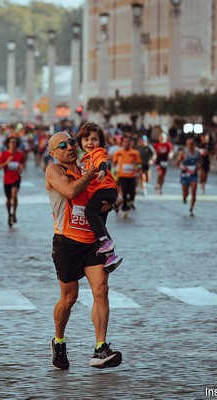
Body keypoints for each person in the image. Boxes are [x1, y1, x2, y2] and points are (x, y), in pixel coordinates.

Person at [45, 131, 123, 371]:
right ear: (54, 153)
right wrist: (91, 173)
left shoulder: (89, 163)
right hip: (67, 243)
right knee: (69, 298)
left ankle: (101, 348)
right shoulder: (54, 170)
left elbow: (117, 196)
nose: (69, 147)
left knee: (101, 290)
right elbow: (70, 192)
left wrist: (111, 202)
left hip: (92, 242)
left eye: (70, 142)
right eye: (62, 145)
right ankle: (59, 341)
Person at [76, 122, 123, 270]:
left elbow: (102, 163)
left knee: (89, 212)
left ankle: (106, 242)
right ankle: (110, 256)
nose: (90, 142)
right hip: (102, 192)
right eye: (86, 139)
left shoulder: (97, 153)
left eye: (94, 139)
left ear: (100, 142)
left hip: (105, 190)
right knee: (99, 226)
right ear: (81, 142)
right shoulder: (84, 158)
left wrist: (102, 171)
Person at [0, 136, 25, 227]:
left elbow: (21, 166)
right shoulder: (4, 154)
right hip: (7, 179)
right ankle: (9, 214)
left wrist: (20, 169)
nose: (13, 144)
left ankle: (14, 212)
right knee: (8, 199)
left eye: (15, 142)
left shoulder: (20, 154)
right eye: (11, 142)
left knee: (14, 194)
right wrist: (7, 162)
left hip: (16, 178)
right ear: (8, 144)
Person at [112, 135, 142, 217]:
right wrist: (114, 171)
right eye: (125, 142)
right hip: (122, 175)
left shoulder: (135, 153)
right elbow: (114, 163)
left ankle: (130, 202)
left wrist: (138, 170)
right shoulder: (118, 153)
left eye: (128, 142)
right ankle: (124, 209)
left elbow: (139, 163)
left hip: (132, 176)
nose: (126, 144)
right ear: (122, 143)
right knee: (124, 192)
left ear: (130, 143)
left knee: (132, 193)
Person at [175, 135, 200, 216]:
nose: (191, 146)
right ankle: (184, 197)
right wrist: (183, 167)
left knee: (194, 191)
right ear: (186, 144)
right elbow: (177, 163)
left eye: (192, 144)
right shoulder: (183, 153)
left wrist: (198, 166)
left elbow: (201, 161)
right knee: (185, 192)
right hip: (185, 174)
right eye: (189, 144)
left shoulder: (197, 152)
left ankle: (191, 208)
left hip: (194, 174)